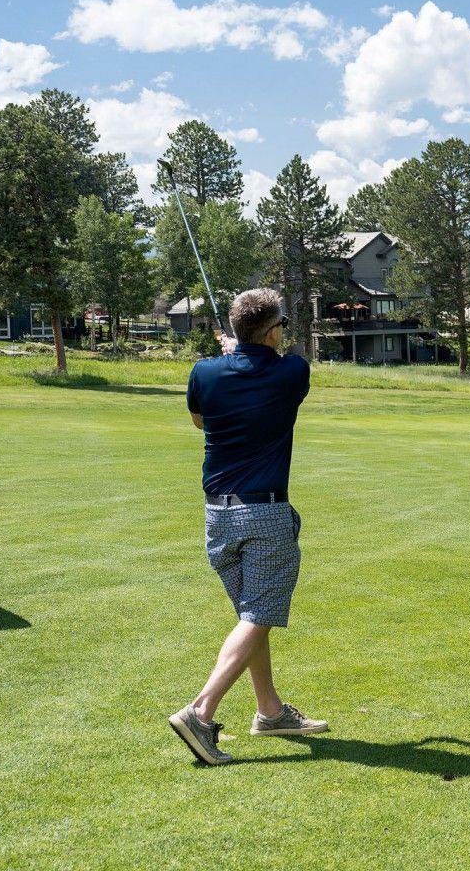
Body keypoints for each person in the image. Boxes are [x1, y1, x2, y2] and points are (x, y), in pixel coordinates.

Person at [168, 288, 328, 766]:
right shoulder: (292, 371)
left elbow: (201, 421)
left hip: (217, 516)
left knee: (250, 616)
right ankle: (200, 711)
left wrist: (228, 358)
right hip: (265, 513)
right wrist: (240, 354)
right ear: (274, 331)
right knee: (259, 614)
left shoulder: (203, 372)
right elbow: (276, 368)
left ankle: (270, 711)